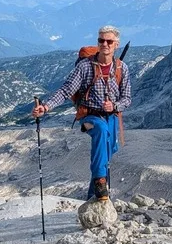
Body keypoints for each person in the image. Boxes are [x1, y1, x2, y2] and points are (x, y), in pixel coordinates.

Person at [33, 25, 132, 201]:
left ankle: (93, 197)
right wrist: (46, 107)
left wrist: (115, 106)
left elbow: (127, 98)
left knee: (109, 150)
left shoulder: (121, 68)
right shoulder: (85, 67)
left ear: (116, 44)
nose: (105, 44)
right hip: (89, 116)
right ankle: (101, 181)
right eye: (101, 40)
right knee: (101, 130)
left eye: (109, 41)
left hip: (112, 116)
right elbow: (66, 90)